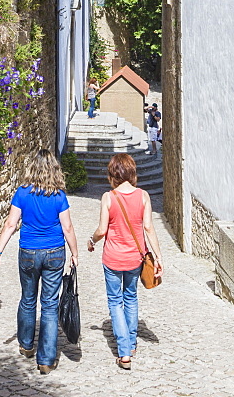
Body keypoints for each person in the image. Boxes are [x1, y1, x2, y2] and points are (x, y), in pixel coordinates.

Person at [0, 148, 78, 375]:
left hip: (29, 251)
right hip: (54, 252)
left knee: (28, 299)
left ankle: (26, 345)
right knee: (49, 304)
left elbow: (10, 224)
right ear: (54, 170)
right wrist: (75, 253)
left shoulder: (22, 193)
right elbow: (67, 227)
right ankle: (46, 360)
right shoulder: (59, 195)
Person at [87, 152, 163, 370]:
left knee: (115, 301)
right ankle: (131, 344)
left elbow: (102, 230)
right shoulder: (143, 196)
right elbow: (148, 227)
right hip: (135, 259)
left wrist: (91, 240)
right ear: (131, 172)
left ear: (113, 173)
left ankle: (123, 351)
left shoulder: (108, 197)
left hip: (112, 258)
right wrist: (158, 256)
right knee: (130, 297)